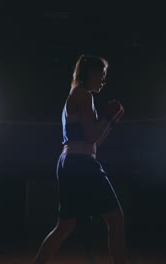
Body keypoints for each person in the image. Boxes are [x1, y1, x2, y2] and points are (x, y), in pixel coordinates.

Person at [32, 55, 126, 264]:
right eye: (101, 74)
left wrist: (111, 121)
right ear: (90, 73)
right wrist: (109, 117)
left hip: (72, 163)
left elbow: (93, 143)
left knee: (64, 226)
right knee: (116, 219)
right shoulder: (83, 95)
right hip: (81, 164)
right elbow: (92, 137)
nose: (103, 80)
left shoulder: (77, 95)